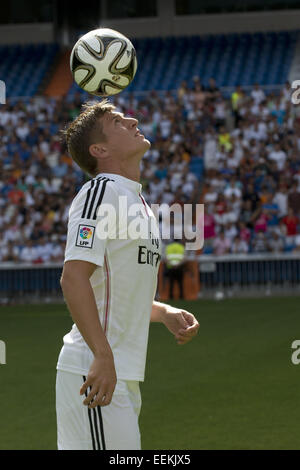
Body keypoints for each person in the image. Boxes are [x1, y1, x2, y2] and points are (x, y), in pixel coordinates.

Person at [56, 100, 199, 450]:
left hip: (118, 373)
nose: (133, 119)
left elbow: (115, 293)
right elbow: (73, 278)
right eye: (118, 122)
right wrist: (102, 356)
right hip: (95, 367)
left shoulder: (140, 203)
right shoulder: (100, 191)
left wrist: (163, 312)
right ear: (99, 149)